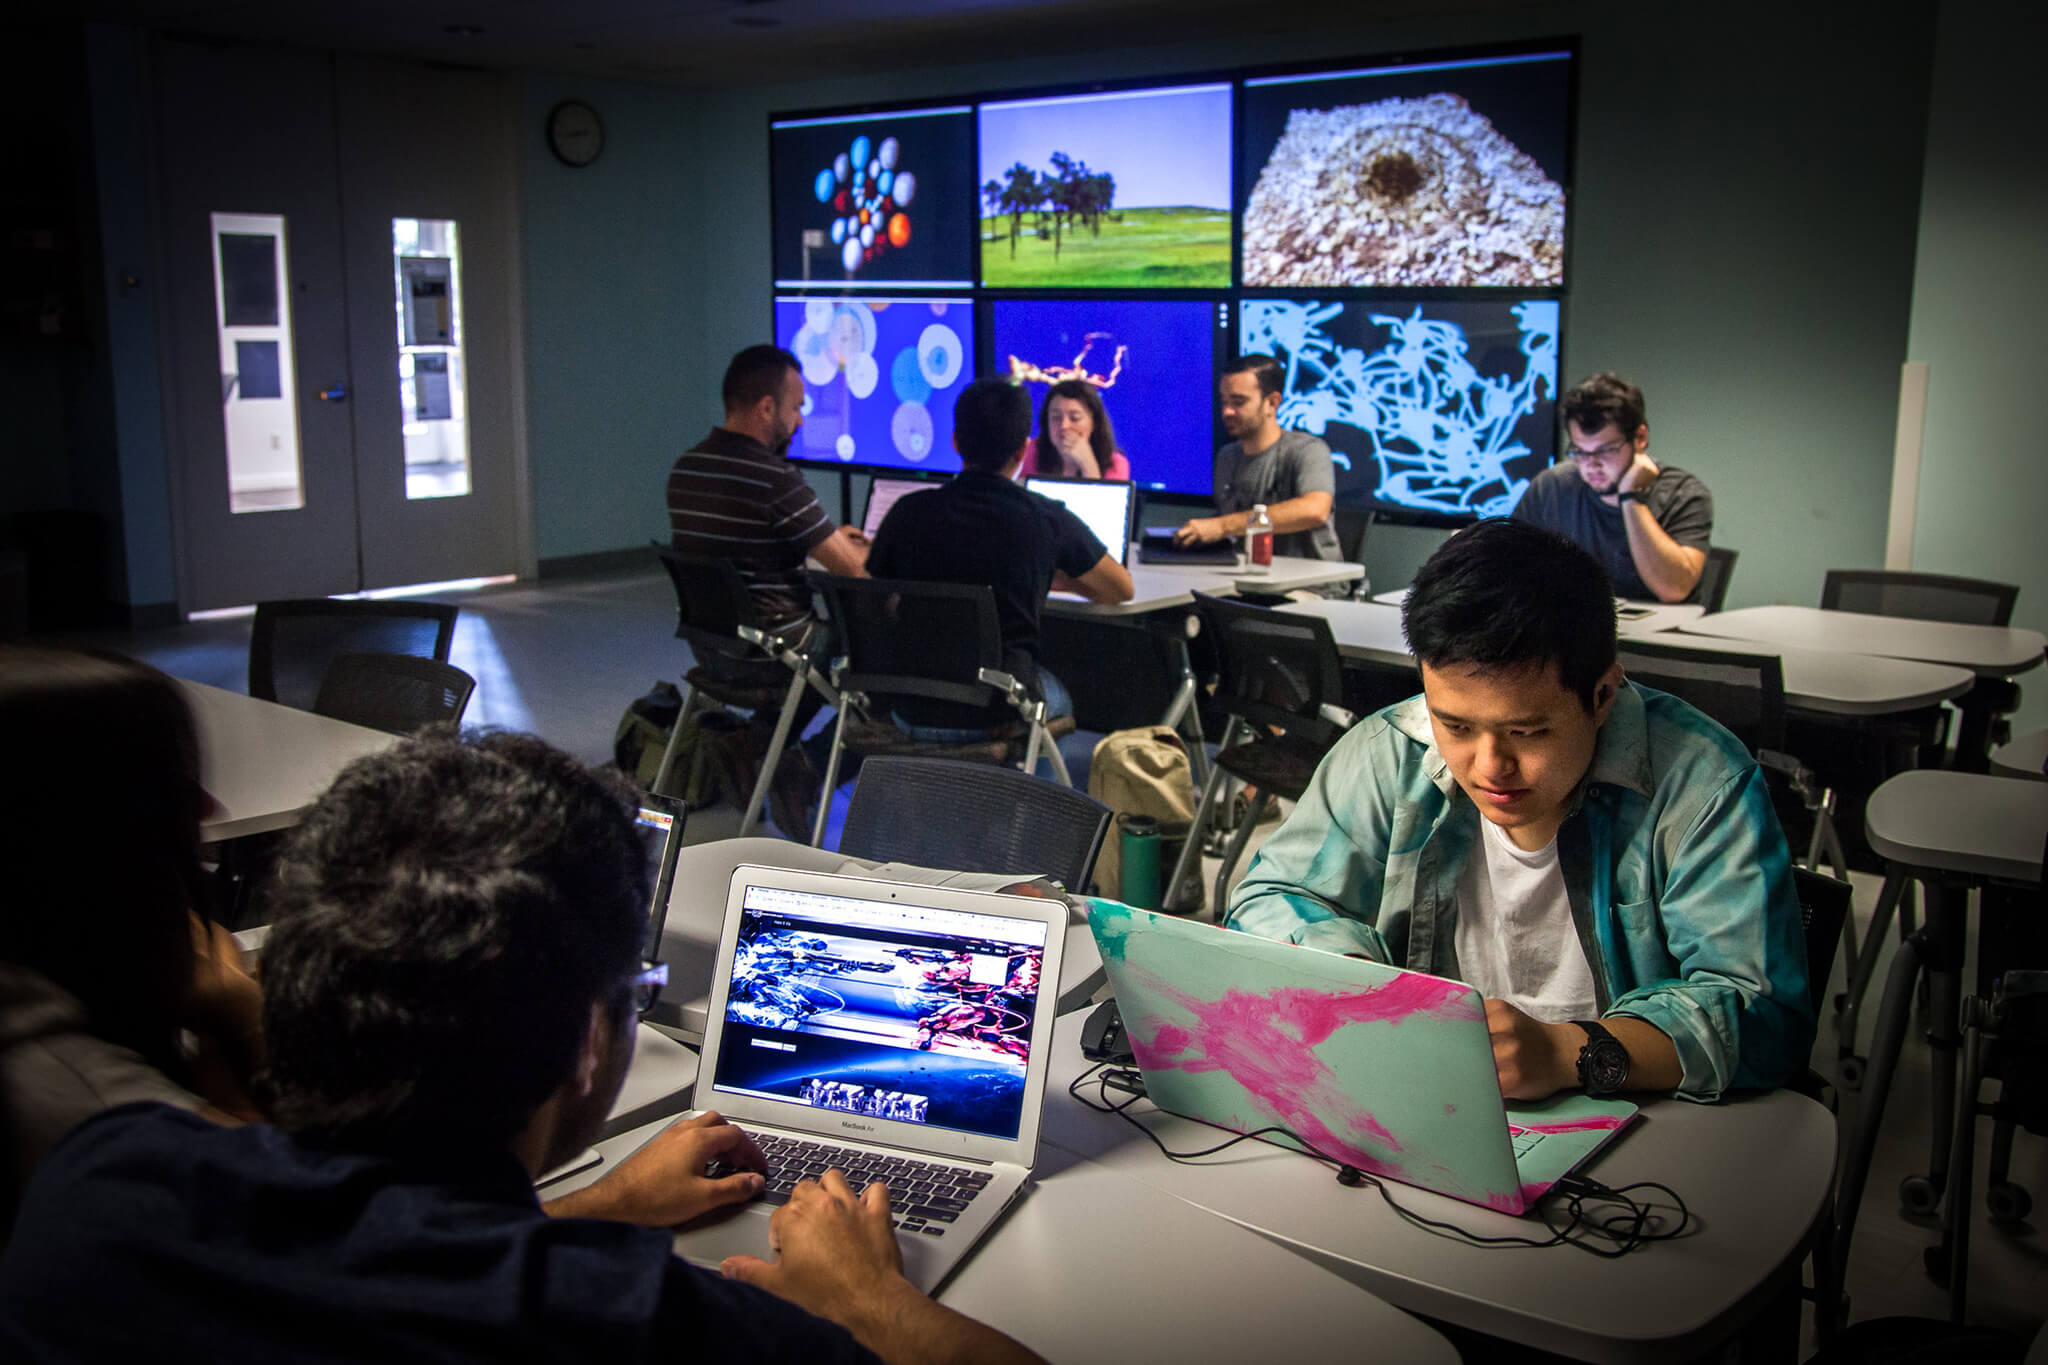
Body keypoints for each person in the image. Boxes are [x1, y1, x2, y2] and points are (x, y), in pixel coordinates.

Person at [0, 728, 1042, 1365]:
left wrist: (599, 1205)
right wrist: (869, 1301)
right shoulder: (659, 1331)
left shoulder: (94, 1192)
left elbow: (375, 1247)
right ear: (590, 1045)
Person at [1224, 520, 1812, 1103]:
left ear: (1602, 695)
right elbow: (1269, 896)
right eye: (1454, 725)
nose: (1489, 766)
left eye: (1527, 732)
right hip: (1429, 1100)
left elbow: (1761, 1013)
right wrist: (1352, 976)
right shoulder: (1389, 751)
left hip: (1633, 1115)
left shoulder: (1700, 783)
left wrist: (1567, 1053)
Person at [0, 647, 263, 1234]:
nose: (208, 808)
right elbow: (368, 1224)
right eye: (172, 789)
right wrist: (241, 1009)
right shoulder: (115, 1127)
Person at [869, 377, 1134, 737]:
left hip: (911, 703)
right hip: (1000, 704)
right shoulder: (1045, 517)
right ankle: (1020, 793)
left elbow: (874, 602)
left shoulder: (907, 512)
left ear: (956, 442)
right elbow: (1120, 589)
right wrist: (1056, 578)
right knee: (1060, 702)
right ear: (1022, 450)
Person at [668, 343, 870, 633]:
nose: (800, 420)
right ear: (765, 409)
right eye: (796, 408)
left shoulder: (686, 468)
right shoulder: (775, 478)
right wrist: (872, 548)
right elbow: (850, 569)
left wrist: (828, 538)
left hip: (714, 646)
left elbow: (746, 551)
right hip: (783, 649)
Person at [1512, 372, 1713, 603]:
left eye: (1606, 450)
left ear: (1640, 437)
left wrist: (1630, 497)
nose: (1591, 466)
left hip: (1655, 637)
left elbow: (1673, 589)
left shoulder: (1683, 494)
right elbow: (1505, 568)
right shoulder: (1552, 487)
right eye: (1580, 451)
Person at [1174, 354, 1340, 562]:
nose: (1227, 411)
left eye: (1238, 402)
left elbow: (1315, 510)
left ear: (1272, 403)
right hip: (1243, 580)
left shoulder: (1308, 450)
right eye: (1224, 401)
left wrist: (1222, 526)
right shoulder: (1227, 457)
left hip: (1309, 588)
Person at [1029, 379, 1131, 482]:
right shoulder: (1031, 452)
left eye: (1074, 418)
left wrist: (1088, 464)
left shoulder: (1116, 464)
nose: (1064, 425)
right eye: (1056, 417)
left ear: (1094, 422)